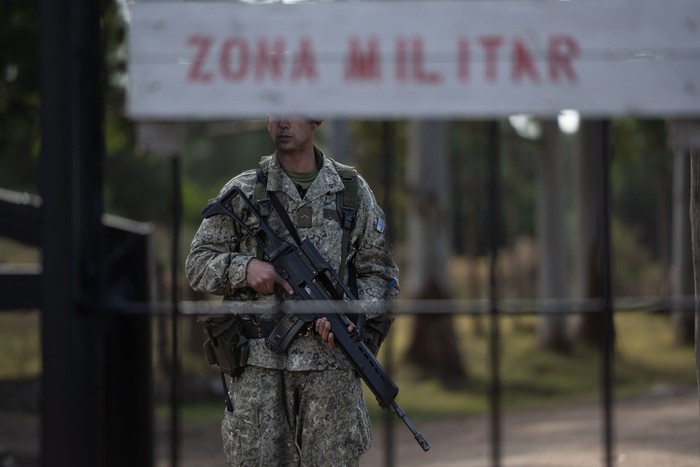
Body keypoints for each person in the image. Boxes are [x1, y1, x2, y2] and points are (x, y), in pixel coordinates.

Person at [185, 115, 398, 466]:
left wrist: (351, 313)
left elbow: (382, 274)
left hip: (332, 374)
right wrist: (245, 268)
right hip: (259, 373)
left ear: (316, 117)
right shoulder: (245, 191)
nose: (282, 121)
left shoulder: (351, 191)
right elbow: (197, 264)